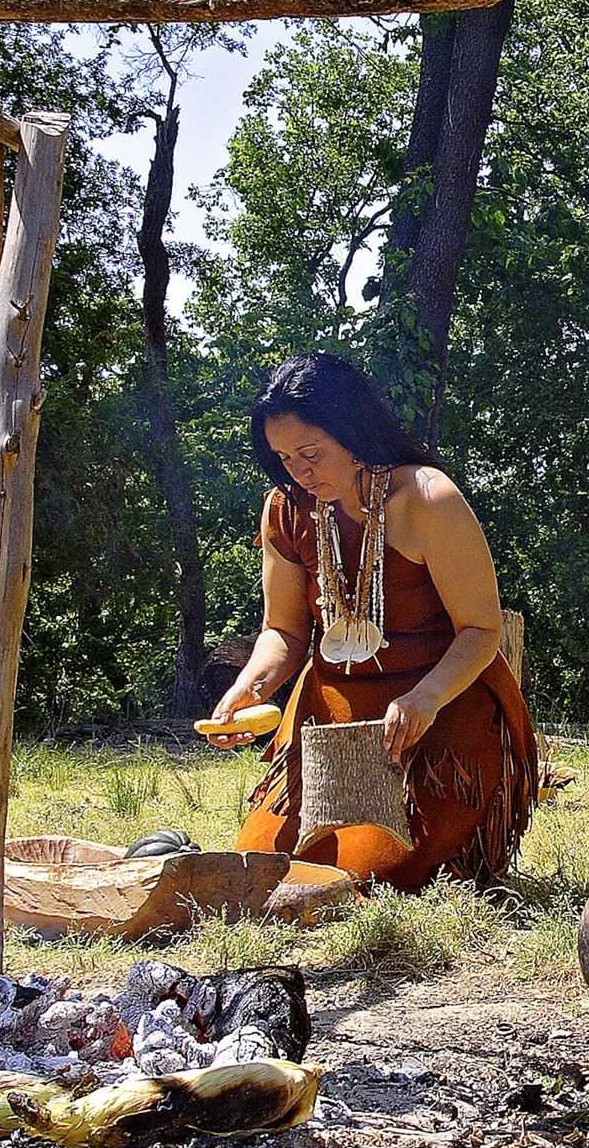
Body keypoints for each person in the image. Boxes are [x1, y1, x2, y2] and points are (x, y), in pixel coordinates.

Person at [209, 353, 536, 890]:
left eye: (311, 453)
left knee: (366, 878)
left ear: (355, 432)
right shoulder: (285, 510)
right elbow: (284, 633)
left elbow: (481, 630)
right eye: (285, 458)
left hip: (437, 706)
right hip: (331, 713)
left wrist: (425, 700)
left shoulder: (428, 498)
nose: (300, 471)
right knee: (265, 873)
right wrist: (251, 686)